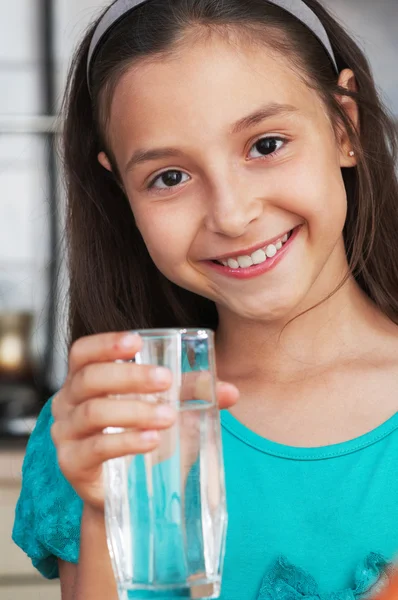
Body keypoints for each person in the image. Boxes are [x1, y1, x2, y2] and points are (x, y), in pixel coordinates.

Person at [12, 0, 398, 598]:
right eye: (169, 177)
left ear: (345, 127)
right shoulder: (106, 431)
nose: (233, 214)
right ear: (123, 193)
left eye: (266, 145)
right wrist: (100, 511)